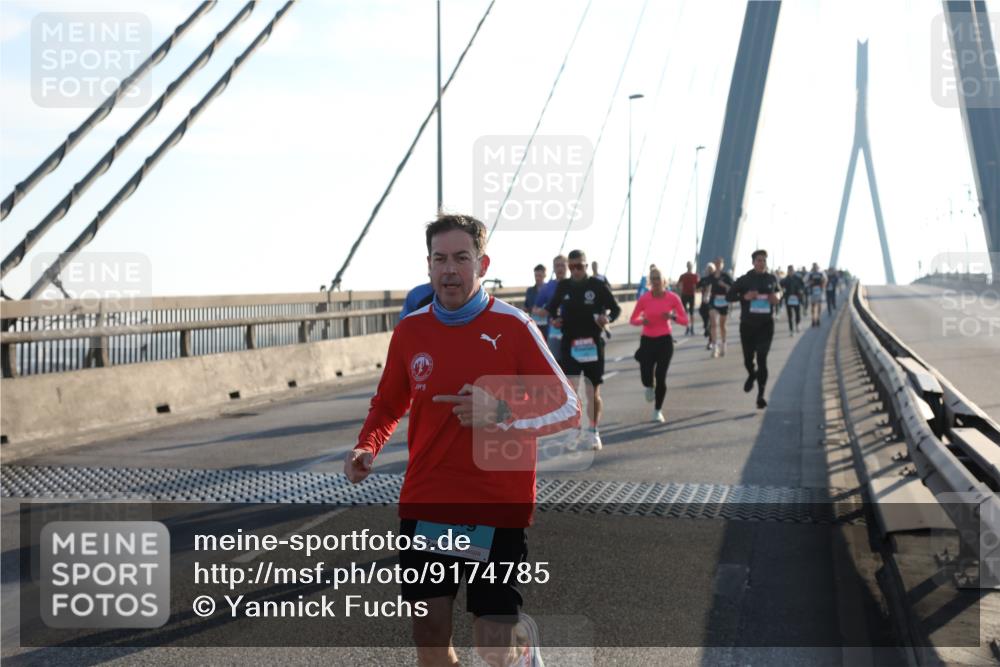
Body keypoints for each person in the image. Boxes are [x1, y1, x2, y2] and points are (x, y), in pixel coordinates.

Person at [346, 213, 580, 667]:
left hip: (496, 505)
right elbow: (389, 403)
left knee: (493, 644)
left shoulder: (515, 326)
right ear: (428, 265)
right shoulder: (411, 330)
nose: (449, 269)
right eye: (440, 259)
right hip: (429, 501)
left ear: (482, 263)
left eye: (460, 258)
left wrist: (502, 412)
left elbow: (568, 406)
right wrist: (367, 446)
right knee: (429, 635)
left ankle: (520, 648)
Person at [543, 249, 621, 450]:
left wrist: (608, 319)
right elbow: (551, 308)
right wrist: (555, 319)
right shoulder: (564, 286)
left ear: (586, 266)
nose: (575, 270)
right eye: (572, 267)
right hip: (570, 343)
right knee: (572, 392)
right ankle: (574, 430)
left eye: (579, 266)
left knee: (592, 391)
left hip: (593, 344)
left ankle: (593, 431)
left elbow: (616, 308)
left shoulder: (597, 285)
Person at [630, 267, 689, 422]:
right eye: (653, 278)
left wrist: (672, 316)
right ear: (650, 281)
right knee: (646, 376)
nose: (656, 281)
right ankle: (649, 385)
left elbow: (685, 321)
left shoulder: (673, 298)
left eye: (658, 278)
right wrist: (642, 321)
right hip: (647, 340)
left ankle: (657, 411)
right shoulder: (644, 298)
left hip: (665, 341)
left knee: (661, 376)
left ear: (664, 281)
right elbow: (632, 319)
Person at [728, 249, 781, 409]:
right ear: (753, 262)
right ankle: (752, 374)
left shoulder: (771, 278)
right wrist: (744, 297)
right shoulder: (745, 279)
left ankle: (761, 395)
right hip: (748, 325)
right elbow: (729, 296)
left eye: (764, 260)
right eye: (759, 260)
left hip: (766, 325)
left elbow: (779, 293)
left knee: (762, 359)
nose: (761, 263)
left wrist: (776, 298)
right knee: (748, 360)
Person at [533, 255, 569, 358]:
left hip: (572, 331)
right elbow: (535, 308)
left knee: (571, 369)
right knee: (555, 366)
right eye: (557, 266)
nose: (560, 268)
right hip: (554, 331)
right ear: (553, 268)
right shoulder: (547, 287)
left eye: (562, 265)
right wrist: (542, 311)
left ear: (567, 267)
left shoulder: (572, 284)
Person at [706, 257, 734, 358]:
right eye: (716, 263)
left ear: (722, 265)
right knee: (713, 324)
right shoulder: (711, 276)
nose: (718, 265)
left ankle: (723, 344)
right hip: (713, 301)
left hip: (724, 301)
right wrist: (706, 293)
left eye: (719, 263)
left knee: (722, 325)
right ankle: (714, 348)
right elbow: (705, 284)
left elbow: (733, 287)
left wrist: (725, 286)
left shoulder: (726, 276)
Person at [779, 263, 805, 335]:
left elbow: (803, 286)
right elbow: (779, 287)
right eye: (789, 270)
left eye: (792, 270)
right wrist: (782, 290)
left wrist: (801, 290)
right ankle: (791, 330)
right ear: (788, 271)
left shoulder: (798, 278)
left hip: (797, 298)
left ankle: (797, 324)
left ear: (793, 270)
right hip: (788, 299)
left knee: (797, 313)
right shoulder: (784, 280)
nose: (790, 271)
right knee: (790, 315)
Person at [677, 261, 699, 336]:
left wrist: (696, 289)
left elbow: (697, 286)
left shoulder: (694, 276)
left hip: (691, 295)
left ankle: (692, 328)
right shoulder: (683, 276)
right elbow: (678, 284)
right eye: (688, 265)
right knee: (685, 313)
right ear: (687, 266)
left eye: (690, 265)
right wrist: (681, 289)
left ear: (691, 266)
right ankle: (687, 327)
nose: (689, 266)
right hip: (685, 295)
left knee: (691, 312)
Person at [806, 263, 826, 327]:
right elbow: (805, 281)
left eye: (816, 267)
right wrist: (809, 283)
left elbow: (825, 280)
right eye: (814, 267)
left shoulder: (821, 273)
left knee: (819, 305)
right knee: (813, 306)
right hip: (812, 292)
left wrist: (823, 284)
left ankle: (818, 318)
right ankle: (813, 319)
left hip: (819, 291)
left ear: (818, 267)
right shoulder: (810, 274)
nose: (815, 268)